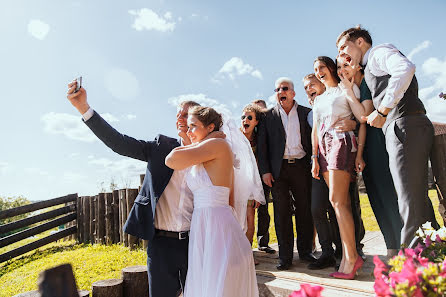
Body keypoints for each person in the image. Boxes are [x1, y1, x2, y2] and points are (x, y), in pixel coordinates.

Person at [66, 80, 200, 297]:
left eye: (186, 114)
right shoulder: (160, 148)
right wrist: (84, 108)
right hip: (160, 244)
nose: (180, 118)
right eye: (178, 114)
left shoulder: (207, 157)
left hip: (195, 244)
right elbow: (119, 142)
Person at [336, 26, 438, 247]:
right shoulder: (370, 66)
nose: (342, 53)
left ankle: (411, 267)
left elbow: (405, 68)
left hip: (403, 125)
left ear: (360, 42)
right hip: (405, 125)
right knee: (417, 200)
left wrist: (383, 110)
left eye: (344, 46)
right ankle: (436, 259)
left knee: (408, 202)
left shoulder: (378, 53)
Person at [165, 106, 262, 297]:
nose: (188, 131)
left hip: (215, 222)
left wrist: (201, 141)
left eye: (193, 126)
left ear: (210, 127)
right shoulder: (209, 147)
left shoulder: (218, 146)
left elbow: (171, 159)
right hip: (203, 222)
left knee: (217, 279)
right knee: (206, 279)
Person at [337, 55, 403, 257]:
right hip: (362, 149)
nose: (342, 70)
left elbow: (364, 116)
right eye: (339, 67)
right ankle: (391, 247)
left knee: (388, 195)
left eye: (346, 65)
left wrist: (348, 93)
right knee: (375, 198)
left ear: (357, 64)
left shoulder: (366, 82)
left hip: (378, 142)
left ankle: (403, 247)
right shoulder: (347, 88)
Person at [311, 56, 367, 279]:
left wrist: (347, 88)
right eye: (315, 69)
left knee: (338, 201)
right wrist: (314, 156)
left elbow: (361, 114)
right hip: (323, 147)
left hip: (341, 141)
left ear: (331, 68)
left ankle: (352, 257)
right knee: (337, 203)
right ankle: (347, 257)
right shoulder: (319, 98)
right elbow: (315, 129)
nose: (318, 72)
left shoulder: (346, 88)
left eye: (322, 67)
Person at [257, 77, 315, 271]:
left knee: (304, 210)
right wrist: (265, 171)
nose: (280, 92)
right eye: (277, 89)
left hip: (301, 166)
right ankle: (285, 257)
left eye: (284, 88)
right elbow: (262, 147)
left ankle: (306, 252)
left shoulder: (306, 113)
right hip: (278, 171)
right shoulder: (267, 117)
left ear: (293, 92)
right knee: (281, 213)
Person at [251, 99, 276, 255]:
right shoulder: (249, 132)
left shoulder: (270, 128)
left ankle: (263, 242)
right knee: (248, 210)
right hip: (250, 177)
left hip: (265, 174)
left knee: (264, 209)